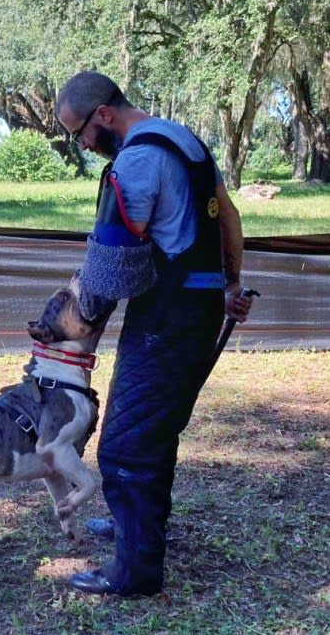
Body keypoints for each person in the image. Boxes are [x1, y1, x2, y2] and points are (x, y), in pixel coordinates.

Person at [55, 71, 253, 596]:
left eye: (80, 134)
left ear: (103, 115)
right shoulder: (182, 138)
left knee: (125, 448)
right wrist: (230, 283)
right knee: (151, 430)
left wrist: (72, 325)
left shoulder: (137, 161)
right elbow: (228, 218)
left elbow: (111, 267)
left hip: (168, 317)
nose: (83, 146)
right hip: (193, 307)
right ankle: (134, 528)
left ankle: (136, 571)